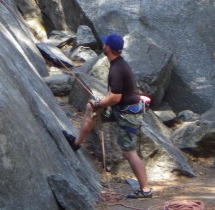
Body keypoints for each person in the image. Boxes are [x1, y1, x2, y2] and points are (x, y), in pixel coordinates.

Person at [62, 33, 153, 199]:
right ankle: (76, 143)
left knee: (129, 152)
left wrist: (100, 103)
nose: (103, 45)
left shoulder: (117, 69)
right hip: (122, 109)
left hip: (127, 115)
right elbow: (114, 95)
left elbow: (115, 97)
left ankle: (145, 189)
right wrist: (98, 103)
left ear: (108, 48)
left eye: (105, 44)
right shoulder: (119, 64)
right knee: (90, 107)